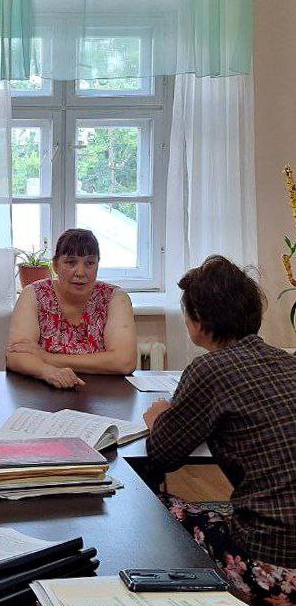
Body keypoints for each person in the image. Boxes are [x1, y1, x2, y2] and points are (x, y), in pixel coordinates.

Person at [143, 256, 296, 604]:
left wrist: (158, 418)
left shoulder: (209, 369)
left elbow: (163, 454)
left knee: (155, 506)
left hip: (275, 562)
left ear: (198, 320)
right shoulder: (288, 361)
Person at [5, 229, 137, 389]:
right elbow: (16, 354)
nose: (80, 273)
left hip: (105, 394)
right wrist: (47, 371)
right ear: (55, 265)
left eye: (89, 263)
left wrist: (47, 357)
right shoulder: (34, 294)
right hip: (44, 392)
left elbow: (124, 362)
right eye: (70, 263)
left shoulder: (115, 298)